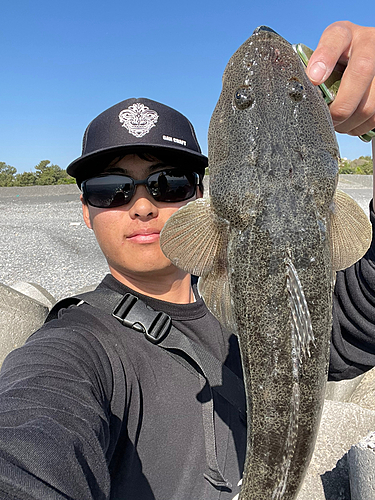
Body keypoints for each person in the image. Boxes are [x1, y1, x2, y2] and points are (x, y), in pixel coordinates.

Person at [0, 20, 374, 500]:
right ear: (86, 211)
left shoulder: (275, 302)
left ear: (202, 196)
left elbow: (362, 316)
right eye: (109, 188)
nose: (141, 205)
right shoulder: (75, 352)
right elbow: (29, 440)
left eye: (168, 183)